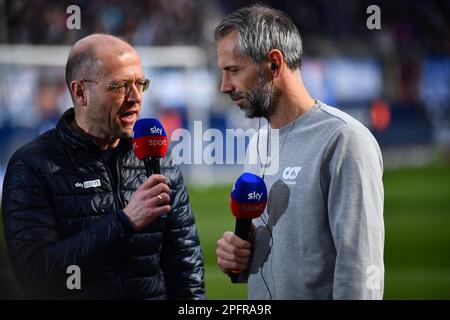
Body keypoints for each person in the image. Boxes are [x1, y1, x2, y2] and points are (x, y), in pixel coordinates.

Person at [1, 34, 205, 299]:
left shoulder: (158, 159)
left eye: (141, 84)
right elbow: (37, 275)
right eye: (120, 86)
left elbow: (186, 267)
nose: (136, 97)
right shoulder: (32, 166)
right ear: (80, 92)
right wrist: (124, 222)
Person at [215, 5, 384, 300]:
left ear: (274, 64)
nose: (224, 86)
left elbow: (359, 268)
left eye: (234, 70)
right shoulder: (258, 142)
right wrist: (240, 256)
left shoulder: (344, 139)